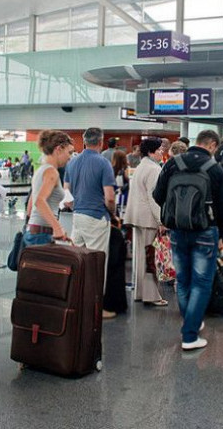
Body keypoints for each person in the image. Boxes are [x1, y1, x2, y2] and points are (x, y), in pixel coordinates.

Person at [153, 130, 223, 350]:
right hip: (206, 231)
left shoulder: (172, 164)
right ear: (212, 145)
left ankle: (191, 321)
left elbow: (158, 195)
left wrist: (177, 210)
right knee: (202, 282)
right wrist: (221, 234)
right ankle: (189, 335)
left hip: (177, 230)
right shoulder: (215, 168)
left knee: (183, 279)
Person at [64, 127, 117, 318]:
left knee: (77, 262)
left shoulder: (72, 162)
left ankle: (76, 303)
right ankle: (95, 310)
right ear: (101, 142)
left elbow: (66, 195)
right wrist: (113, 213)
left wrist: (77, 207)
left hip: (77, 217)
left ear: (84, 141)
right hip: (96, 218)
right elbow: (109, 197)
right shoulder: (103, 163)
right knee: (96, 264)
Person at [124, 138, 167, 306]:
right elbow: (153, 198)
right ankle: (151, 295)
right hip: (148, 218)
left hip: (137, 217)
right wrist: (161, 220)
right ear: (151, 152)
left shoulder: (141, 166)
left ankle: (140, 292)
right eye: (159, 149)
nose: (162, 152)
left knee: (140, 257)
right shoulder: (154, 169)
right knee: (150, 257)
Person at [24, 130, 74, 246]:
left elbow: (32, 203)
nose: (70, 157)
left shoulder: (41, 170)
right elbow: (39, 201)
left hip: (35, 231)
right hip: (41, 234)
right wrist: (57, 228)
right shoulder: (51, 172)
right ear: (59, 149)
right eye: (69, 152)